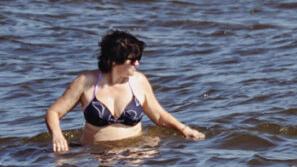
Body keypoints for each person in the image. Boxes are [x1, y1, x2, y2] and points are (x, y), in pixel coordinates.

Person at [44, 30, 205, 153]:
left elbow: (159, 115)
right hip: (96, 155)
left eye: (138, 59)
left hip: (135, 151)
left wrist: (184, 130)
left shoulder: (139, 81)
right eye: (132, 60)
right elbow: (53, 112)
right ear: (114, 61)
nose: (137, 63)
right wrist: (57, 135)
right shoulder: (86, 82)